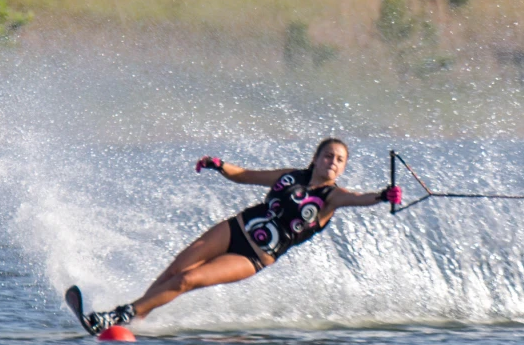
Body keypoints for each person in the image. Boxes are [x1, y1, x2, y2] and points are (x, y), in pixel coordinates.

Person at [75, 138, 402, 334]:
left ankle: (121, 315)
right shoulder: (289, 177)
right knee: (172, 272)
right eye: (328, 156)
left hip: (253, 256)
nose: (333, 162)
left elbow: (359, 199)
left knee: (188, 280)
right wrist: (219, 164)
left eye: (339, 160)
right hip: (234, 229)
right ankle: (136, 315)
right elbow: (244, 176)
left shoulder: (332, 198)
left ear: (342, 169)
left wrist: (383, 195)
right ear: (316, 158)